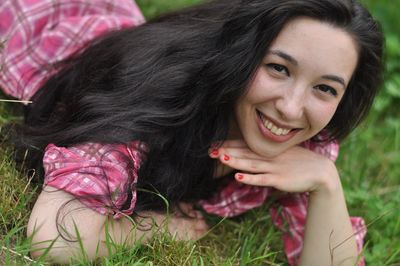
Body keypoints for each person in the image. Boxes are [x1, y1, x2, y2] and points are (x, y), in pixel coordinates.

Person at [0, 0, 384, 265]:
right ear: (243, 55)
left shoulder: (309, 140)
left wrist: (326, 183)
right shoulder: (154, 101)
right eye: (278, 68)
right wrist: (153, 228)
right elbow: (55, 242)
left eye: (325, 88)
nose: (290, 107)